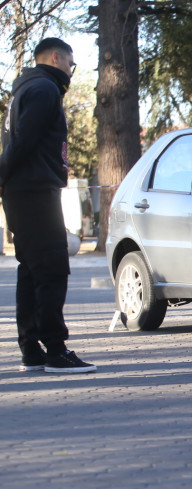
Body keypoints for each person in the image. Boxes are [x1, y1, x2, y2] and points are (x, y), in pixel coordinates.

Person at [0, 38, 95, 373]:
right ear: (55, 57)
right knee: (53, 268)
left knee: (31, 269)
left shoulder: (26, 88)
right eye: (70, 63)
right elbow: (24, 140)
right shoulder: (44, 89)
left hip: (23, 190)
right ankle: (55, 349)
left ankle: (32, 349)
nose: (71, 70)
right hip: (34, 191)